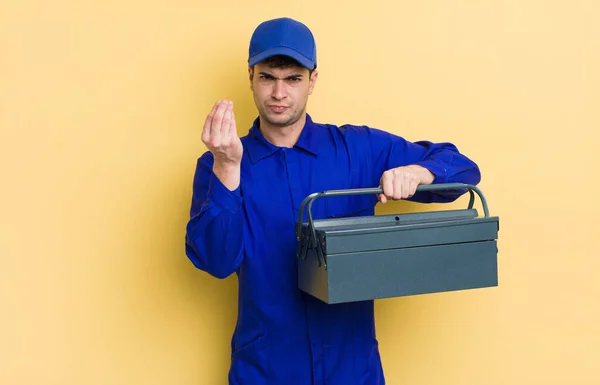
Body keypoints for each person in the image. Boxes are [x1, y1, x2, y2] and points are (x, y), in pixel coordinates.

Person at [185, 17, 481, 385]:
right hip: (266, 370)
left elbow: (462, 168)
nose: (279, 93)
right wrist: (228, 167)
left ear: (313, 80)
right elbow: (215, 261)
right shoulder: (220, 162)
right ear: (250, 76)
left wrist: (419, 174)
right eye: (268, 77)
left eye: (293, 78)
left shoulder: (357, 149)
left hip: (352, 369)